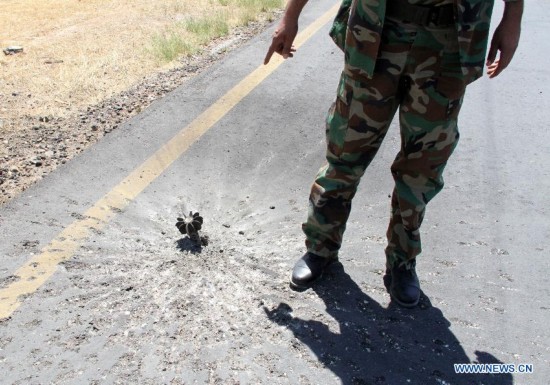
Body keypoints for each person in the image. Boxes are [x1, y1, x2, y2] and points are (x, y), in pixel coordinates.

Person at [264, 0, 523, 308]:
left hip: (448, 43)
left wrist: (512, 20)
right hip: (376, 32)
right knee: (346, 150)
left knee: (422, 168)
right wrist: (291, 16)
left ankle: (402, 262)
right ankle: (321, 247)